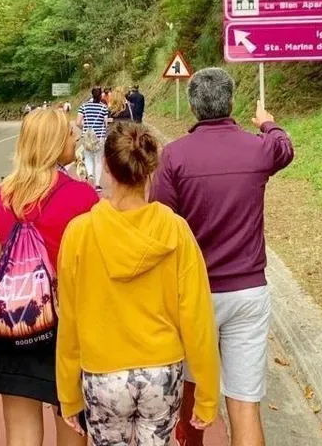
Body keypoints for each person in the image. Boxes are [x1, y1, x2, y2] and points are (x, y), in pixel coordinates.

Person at [150, 68, 295, 446]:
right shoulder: (258, 148)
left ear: (194, 107)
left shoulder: (174, 157)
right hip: (248, 292)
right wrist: (268, 124)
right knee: (244, 405)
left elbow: (160, 223)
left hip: (193, 295)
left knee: (191, 394)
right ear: (231, 102)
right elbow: (285, 148)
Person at [57, 122, 220, 446]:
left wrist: (68, 393)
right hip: (161, 370)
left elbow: (70, 320)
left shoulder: (79, 233)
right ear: (150, 168)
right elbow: (198, 317)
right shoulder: (175, 230)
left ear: (105, 164)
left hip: (103, 372)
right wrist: (206, 393)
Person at [0, 109, 98, 446]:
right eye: (68, 133)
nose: (75, 137)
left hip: (16, 326)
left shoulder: (1, 197)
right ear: (53, 143)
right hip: (67, 325)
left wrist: (12, 314)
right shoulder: (83, 197)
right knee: (72, 422)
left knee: (20, 432)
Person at [76, 87, 109, 189]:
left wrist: (85, 129)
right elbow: (106, 123)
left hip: (87, 135)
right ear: (100, 96)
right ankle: (98, 184)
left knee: (88, 158)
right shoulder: (104, 108)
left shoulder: (84, 106)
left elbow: (78, 122)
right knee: (98, 160)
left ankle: (90, 175)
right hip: (99, 137)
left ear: (91, 94)